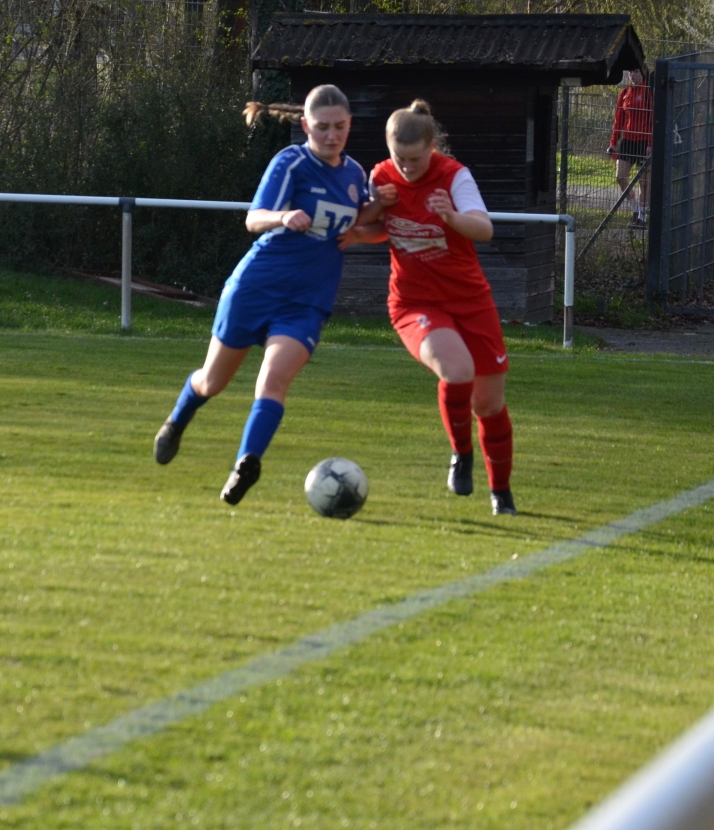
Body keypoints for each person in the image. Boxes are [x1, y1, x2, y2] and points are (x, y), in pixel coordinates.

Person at [153, 84, 374, 504]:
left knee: (273, 380)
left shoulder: (355, 174)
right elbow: (254, 219)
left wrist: (371, 226)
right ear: (306, 124)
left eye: (340, 127)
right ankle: (178, 419)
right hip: (256, 287)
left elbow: (368, 223)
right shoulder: (291, 162)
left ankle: (245, 464)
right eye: (323, 127)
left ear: (350, 125)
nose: (332, 135)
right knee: (212, 381)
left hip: (307, 302)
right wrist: (283, 216)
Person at [348, 100, 518, 516]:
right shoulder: (381, 176)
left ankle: (502, 493)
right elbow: (377, 229)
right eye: (398, 158)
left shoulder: (454, 177)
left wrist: (450, 216)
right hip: (414, 303)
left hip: (470, 300)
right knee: (457, 370)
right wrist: (369, 214)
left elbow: (485, 229)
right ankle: (461, 454)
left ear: (432, 147)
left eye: (415, 158)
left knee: (489, 405)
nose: (406, 167)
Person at [609, 68, 652, 228]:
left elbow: (652, 118)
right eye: (630, 72)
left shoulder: (648, 92)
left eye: (636, 72)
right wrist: (613, 142)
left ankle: (642, 216)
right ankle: (635, 207)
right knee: (620, 177)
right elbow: (618, 119)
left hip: (644, 142)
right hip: (628, 140)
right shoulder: (624, 92)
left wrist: (650, 143)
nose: (633, 75)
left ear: (643, 73)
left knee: (644, 181)